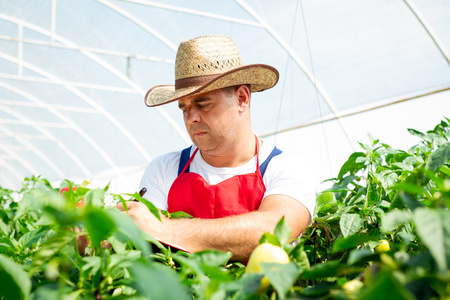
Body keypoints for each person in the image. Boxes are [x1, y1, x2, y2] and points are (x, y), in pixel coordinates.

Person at [117, 35, 315, 261]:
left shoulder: (286, 168)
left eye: (203, 104)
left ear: (241, 98)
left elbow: (273, 231)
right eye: (184, 108)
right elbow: (143, 241)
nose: (191, 117)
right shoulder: (164, 169)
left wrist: (167, 230)